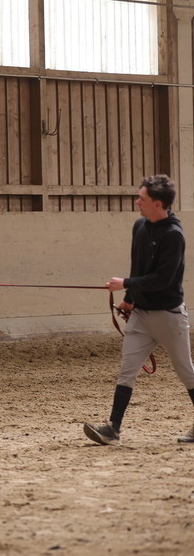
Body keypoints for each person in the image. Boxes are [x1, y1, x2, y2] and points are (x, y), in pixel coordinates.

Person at [83, 174, 194, 445]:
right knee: (127, 370)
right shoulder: (141, 226)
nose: (137, 202)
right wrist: (130, 297)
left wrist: (125, 283)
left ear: (157, 204)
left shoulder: (173, 236)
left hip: (169, 317)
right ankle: (113, 429)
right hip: (142, 315)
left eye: (142, 199)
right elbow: (139, 266)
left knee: (185, 372)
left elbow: (163, 280)